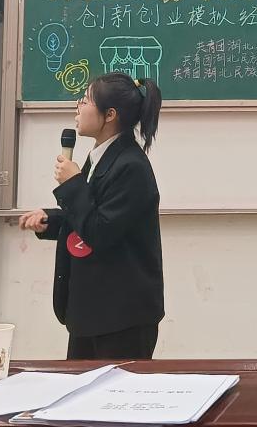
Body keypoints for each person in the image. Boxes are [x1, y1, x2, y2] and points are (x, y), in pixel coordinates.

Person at [19, 72, 164, 359]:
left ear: (109, 115)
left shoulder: (131, 166)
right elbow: (92, 213)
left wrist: (73, 183)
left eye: (85, 101)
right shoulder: (101, 156)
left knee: (115, 388)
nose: (78, 107)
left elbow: (101, 231)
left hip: (121, 316)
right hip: (91, 310)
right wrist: (52, 220)